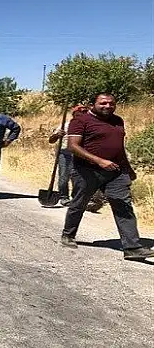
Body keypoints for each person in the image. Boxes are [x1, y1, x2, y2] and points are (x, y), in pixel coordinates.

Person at [60, 93, 154, 260]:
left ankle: (132, 247)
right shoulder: (80, 121)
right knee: (79, 203)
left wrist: (129, 169)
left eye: (111, 103)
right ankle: (68, 235)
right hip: (86, 171)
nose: (108, 106)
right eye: (103, 103)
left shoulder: (118, 121)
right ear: (92, 105)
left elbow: (119, 147)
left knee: (123, 205)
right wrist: (99, 161)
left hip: (115, 171)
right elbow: (72, 146)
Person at [48, 105, 88, 206]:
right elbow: (51, 140)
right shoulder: (65, 126)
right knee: (64, 177)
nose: (82, 115)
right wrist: (57, 135)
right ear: (74, 114)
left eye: (85, 113)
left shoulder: (89, 127)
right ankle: (63, 197)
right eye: (80, 113)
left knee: (79, 177)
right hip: (65, 154)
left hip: (81, 155)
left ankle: (76, 198)